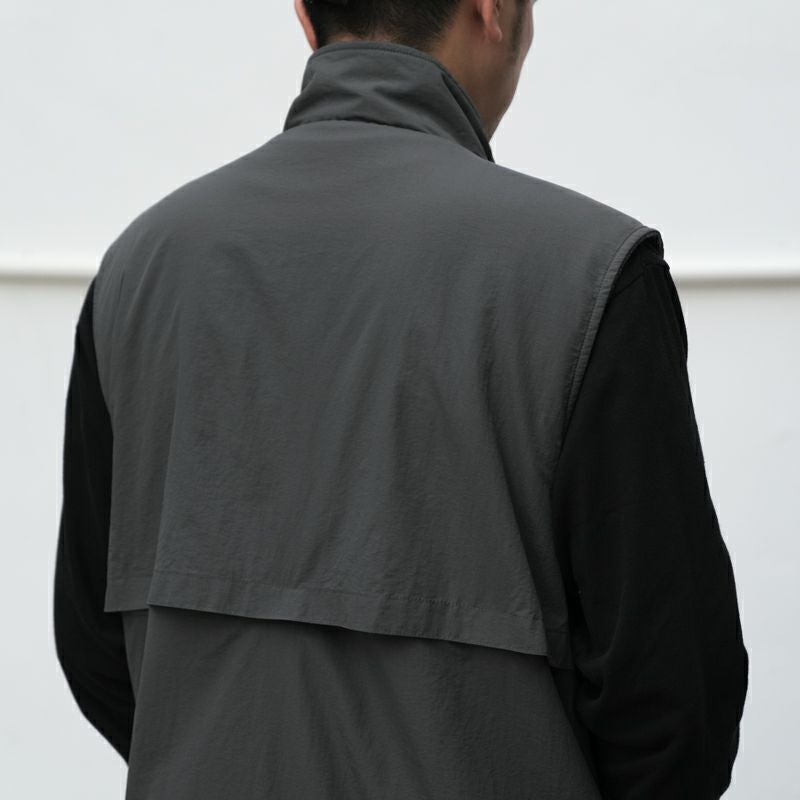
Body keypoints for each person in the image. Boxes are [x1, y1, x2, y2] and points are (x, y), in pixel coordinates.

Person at [53, 1, 749, 798]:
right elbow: (673, 708)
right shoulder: (590, 274)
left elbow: (97, 648)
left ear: (306, 18)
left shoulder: (138, 270)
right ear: (492, 10)